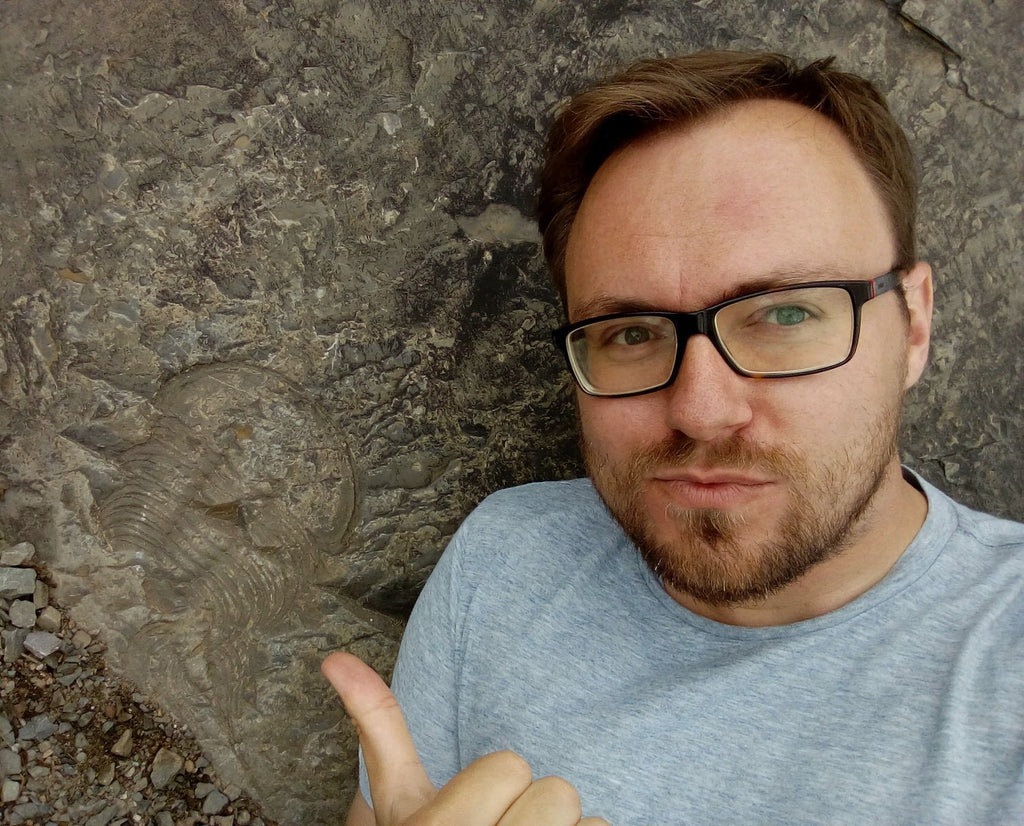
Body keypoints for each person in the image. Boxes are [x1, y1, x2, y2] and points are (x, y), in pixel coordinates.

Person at [323, 50, 1024, 826]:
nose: (700, 410)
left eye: (785, 313)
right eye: (630, 332)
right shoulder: (504, 559)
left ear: (915, 323)